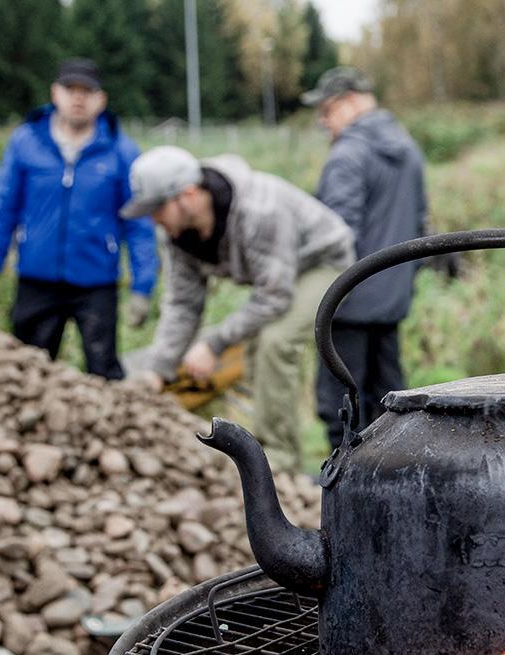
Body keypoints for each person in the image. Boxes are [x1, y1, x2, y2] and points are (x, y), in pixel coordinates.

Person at [121, 146, 355, 473]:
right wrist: (158, 369)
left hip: (325, 263)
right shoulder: (178, 235)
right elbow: (183, 304)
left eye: (157, 209)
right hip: (279, 273)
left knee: (275, 341)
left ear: (187, 195)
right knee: (254, 345)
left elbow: (274, 296)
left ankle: (282, 460)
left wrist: (213, 343)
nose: (153, 219)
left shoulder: (259, 211)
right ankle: (260, 444)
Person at [0, 58, 158, 379]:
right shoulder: (26, 143)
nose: (78, 98)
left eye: (87, 91)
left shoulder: (120, 150)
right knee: (29, 368)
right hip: (37, 279)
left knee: (102, 368)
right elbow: (3, 210)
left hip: (96, 282)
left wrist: (143, 286)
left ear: (101, 99)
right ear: (55, 93)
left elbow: (138, 223)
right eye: (70, 89)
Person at [301, 66, 428, 450]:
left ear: (351, 101)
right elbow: (421, 224)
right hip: (392, 299)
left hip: (349, 301)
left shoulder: (348, 154)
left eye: (327, 111)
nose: (324, 122)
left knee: (341, 409)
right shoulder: (409, 149)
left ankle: (341, 493)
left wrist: (313, 285)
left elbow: (336, 236)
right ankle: (394, 484)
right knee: (389, 405)